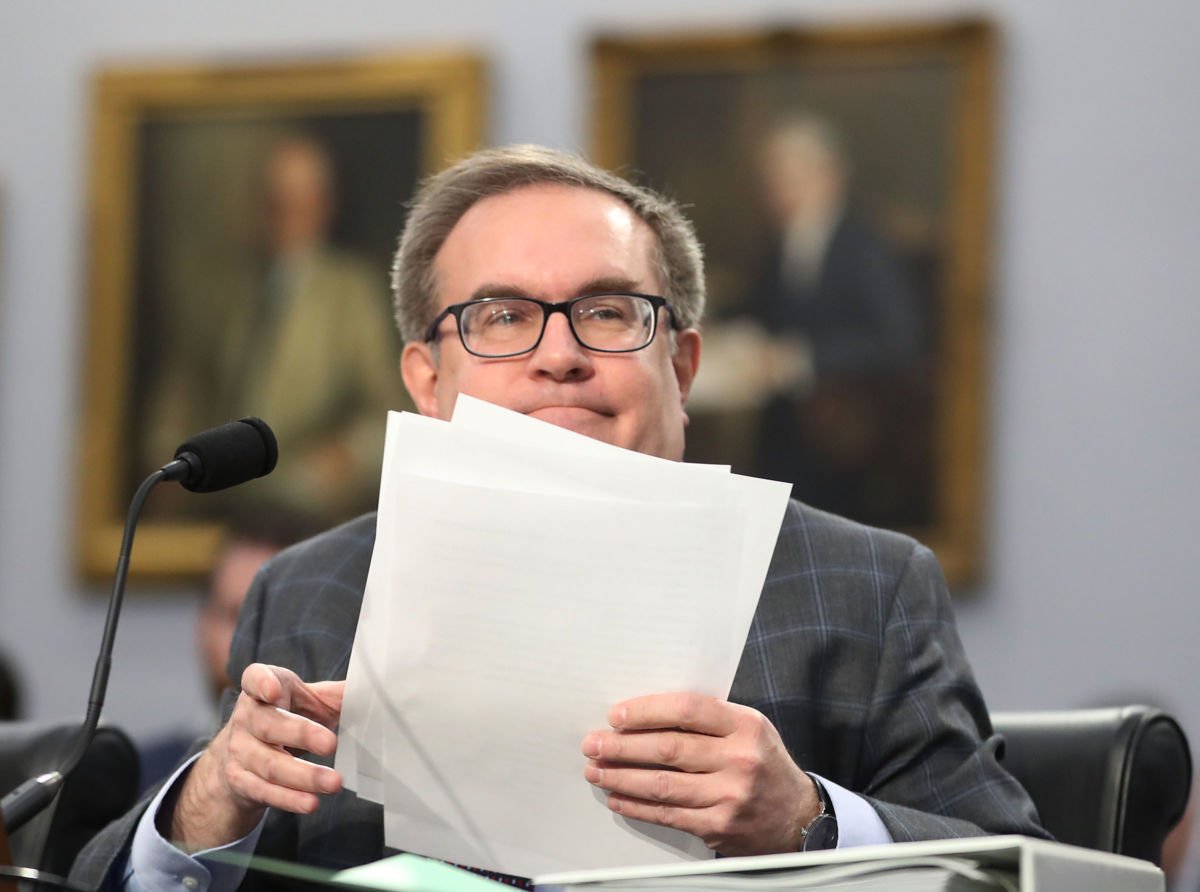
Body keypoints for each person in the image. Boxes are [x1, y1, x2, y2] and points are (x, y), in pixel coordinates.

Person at [71, 145, 1045, 890]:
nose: (559, 356)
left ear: (685, 367)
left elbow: (1023, 869)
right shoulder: (311, 587)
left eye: (610, 311)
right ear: (426, 381)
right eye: (500, 317)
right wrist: (208, 804)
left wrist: (810, 818)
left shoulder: (867, 585)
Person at [142, 134, 399, 523]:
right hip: (217, 505)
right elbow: (182, 392)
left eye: (299, 201)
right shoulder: (225, 290)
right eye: (275, 201)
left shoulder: (352, 293)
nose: (285, 214)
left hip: (307, 511)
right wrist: (166, 462)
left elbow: (386, 412)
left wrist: (345, 456)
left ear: (324, 205)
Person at [741, 115, 927, 525]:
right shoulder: (777, 246)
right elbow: (763, 313)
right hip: (785, 435)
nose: (779, 193)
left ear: (830, 176)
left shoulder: (865, 248)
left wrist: (804, 360)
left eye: (792, 178)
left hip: (848, 440)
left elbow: (898, 342)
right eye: (772, 181)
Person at [136, 516, 314, 794]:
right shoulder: (137, 780)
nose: (251, 644)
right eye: (236, 616)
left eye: (277, 621)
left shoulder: (354, 796)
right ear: (202, 625)